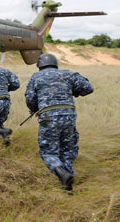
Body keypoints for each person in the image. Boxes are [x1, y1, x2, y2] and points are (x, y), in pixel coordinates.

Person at [25, 53, 93, 191]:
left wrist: (35, 109)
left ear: (40, 65)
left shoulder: (36, 77)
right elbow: (88, 88)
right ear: (55, 63)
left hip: (48, 117)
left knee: (48, 152)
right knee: (68, 150)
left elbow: (30, 99)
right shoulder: (69, 74)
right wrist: (74, 91)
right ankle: (67, 184)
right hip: (69, 116)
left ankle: (61, 173)